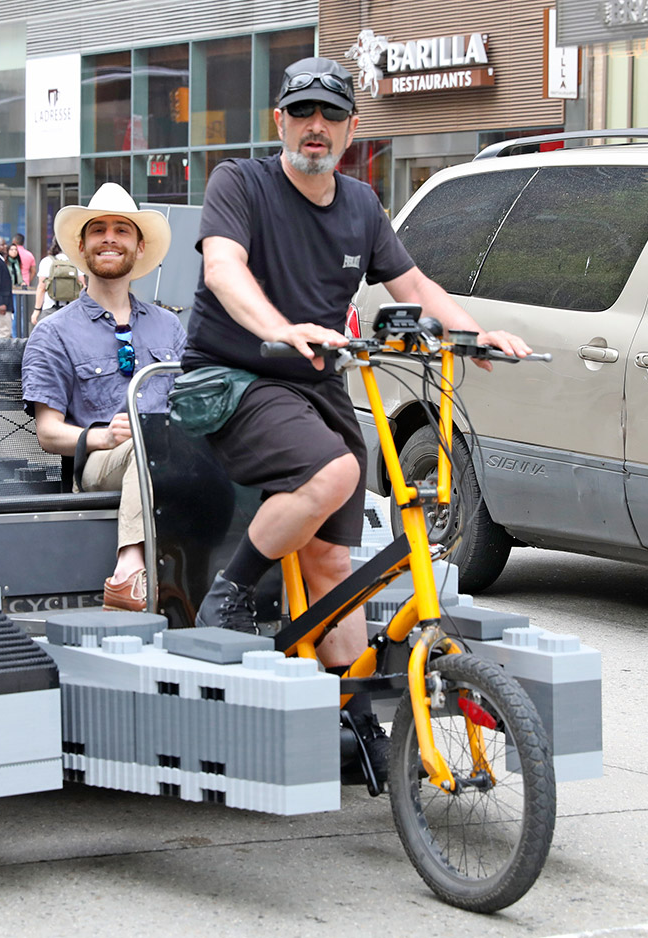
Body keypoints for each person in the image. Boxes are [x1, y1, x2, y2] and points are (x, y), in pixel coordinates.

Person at [183, 56, 529, 776]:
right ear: (278, 120)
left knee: (336, 563)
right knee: (336, 469)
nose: (316, 127)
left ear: (351, 130)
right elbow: (223, 269)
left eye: (331, 116)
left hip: (316, 380)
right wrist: (279, 328)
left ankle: (354, 722)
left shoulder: (362, 206)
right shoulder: (238, 184)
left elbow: (413, 282)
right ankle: (232, 594)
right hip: (235, 375)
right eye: (302, 113)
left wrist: (473, 333)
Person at [21, 184, 183, 612]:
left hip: (173, 459)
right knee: (143, 443)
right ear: (82, 245)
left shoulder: (170, 327)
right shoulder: (53, 333)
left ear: (139, 246)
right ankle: (129, 573)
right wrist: (102, 437)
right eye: (98, 230)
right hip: (100, 464)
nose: (109, 238)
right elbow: (48, 432)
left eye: (121, 230)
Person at [32, 239, 82, 326]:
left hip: (49, 308)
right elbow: (82, 285)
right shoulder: (76, 261)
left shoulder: (47, 261)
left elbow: (41, 287)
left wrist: (37, 310)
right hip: (71, 309)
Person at [13, 233, 37, 329]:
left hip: (12, 286)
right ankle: (22, 333)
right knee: (21, 311)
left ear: (14, 242)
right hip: (24, 286)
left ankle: (15, 334)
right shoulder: (29, 255)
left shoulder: (11, 253)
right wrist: (27, 281)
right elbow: (33, 271)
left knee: (13, 312)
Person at [7, 242, 26, 338]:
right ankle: (14, 335)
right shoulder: (5, 263)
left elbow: (19, 276)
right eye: (11, 249)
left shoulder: (17, 262)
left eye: (15, 250)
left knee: (18, 314)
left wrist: (22, 282)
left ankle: (19, 335)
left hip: (17, 291)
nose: (14, 251)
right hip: (8, 291)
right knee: (11, 315)